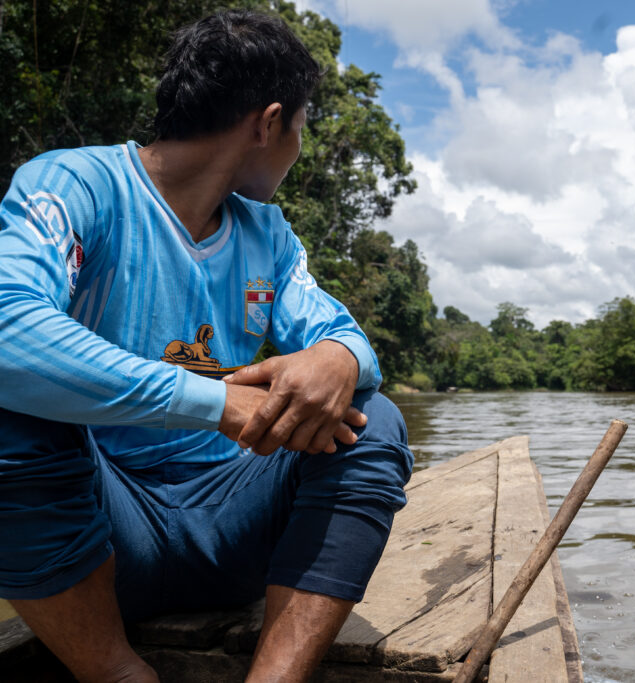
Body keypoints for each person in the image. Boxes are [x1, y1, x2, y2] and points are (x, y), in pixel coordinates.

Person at [0, 9, 413, 682]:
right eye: (301, 127)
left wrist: (338, 357)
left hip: (235, 530)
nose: (298, 147)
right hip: (104, 537)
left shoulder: (269, 235)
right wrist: (216, 403)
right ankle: (117, 672)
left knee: (371, 421)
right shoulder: (76, 185)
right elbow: (7, 329)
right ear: (268, 123)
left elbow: (347, 341)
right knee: (11, 414)